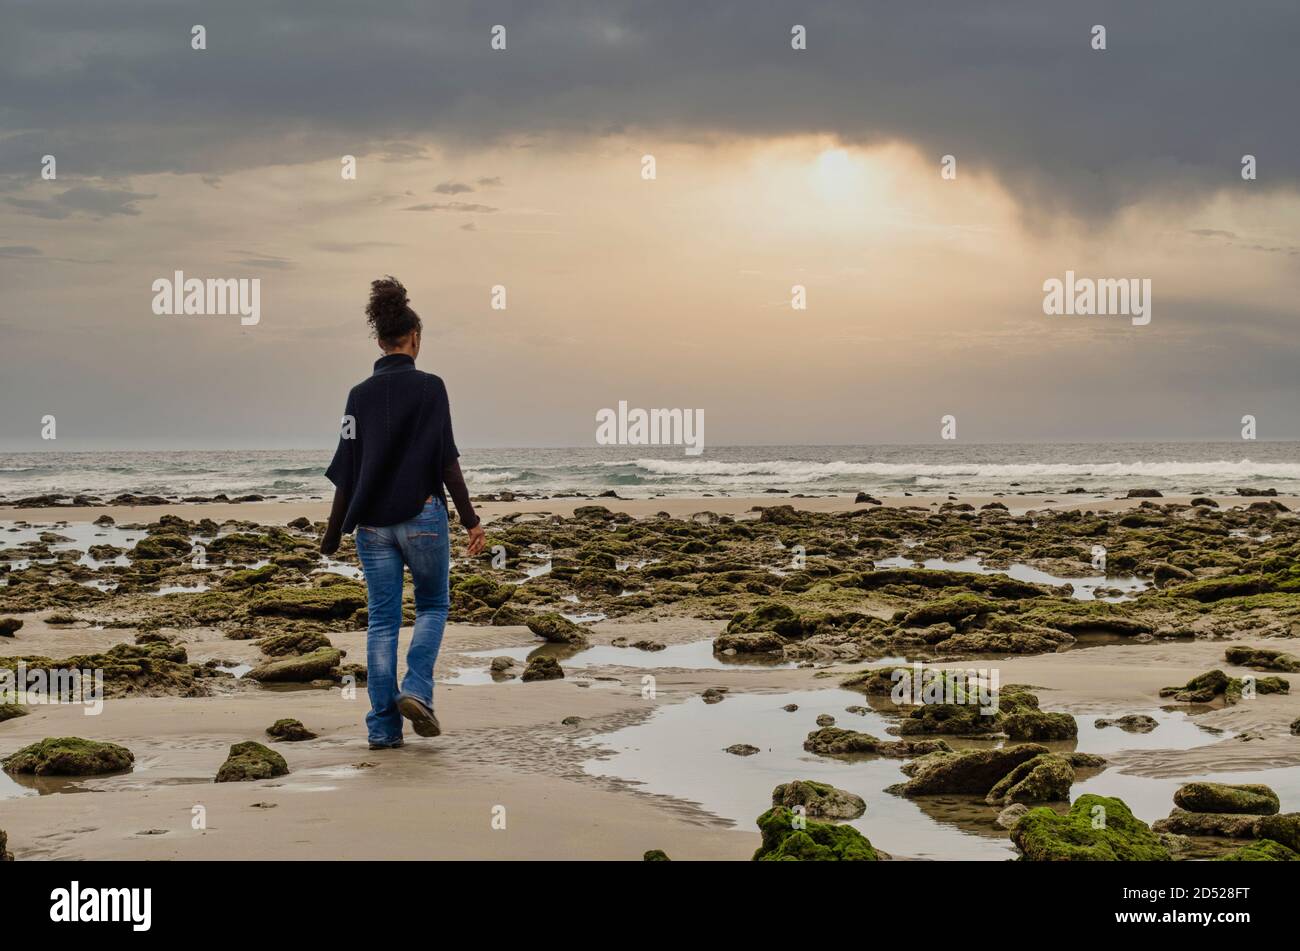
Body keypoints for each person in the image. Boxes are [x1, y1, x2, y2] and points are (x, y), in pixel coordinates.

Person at [320, 277, 486, 749]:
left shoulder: (358, 395)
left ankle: (383, 729)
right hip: (423, 518)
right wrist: (471, 519)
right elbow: (446, 460)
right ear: (414, 338)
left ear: (379, 340)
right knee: (433, 605)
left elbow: (346, 468)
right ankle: (416, 689)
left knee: (381, 622)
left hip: (370, 526)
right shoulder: (432, 388)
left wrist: (333, 533)